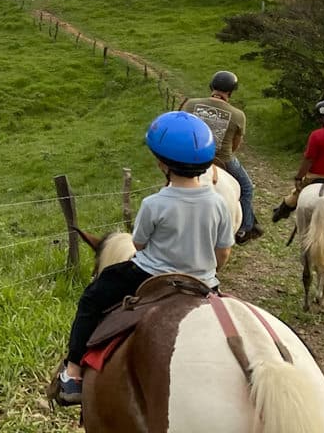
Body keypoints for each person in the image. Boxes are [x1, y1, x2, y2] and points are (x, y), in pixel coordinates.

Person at [54, 111, 234, 406]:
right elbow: (223, 252)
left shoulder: (154, 203)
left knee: (91, 299)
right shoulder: (218, 203)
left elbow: (137, 243)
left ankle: (73, 374)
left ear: (161, 163)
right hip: (202, 281)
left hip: (150, 276)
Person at [179, 70, 262, 243]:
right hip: (222, 159)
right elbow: (235, 144)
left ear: (212, 87)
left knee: (171, 178)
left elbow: (182, 129)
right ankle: (245, 228)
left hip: (191, 156)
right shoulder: (238, 115)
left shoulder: (190, 104)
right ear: (231, 92)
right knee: (246, 188)